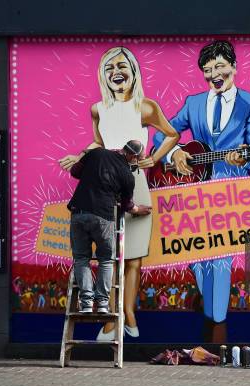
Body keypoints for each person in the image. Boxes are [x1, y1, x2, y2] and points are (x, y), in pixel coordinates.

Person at [59, 47, 179, 339]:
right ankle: (111, 318)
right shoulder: (98, 109)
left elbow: (172, 134)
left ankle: (128, 312)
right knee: (107, 253)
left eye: (122, 65)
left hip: (135, 180)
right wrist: (79, 157)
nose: (116, 71)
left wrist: (154, 158)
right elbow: (98, 143)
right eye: (109, 66)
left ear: (134, 71)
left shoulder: (146, 106)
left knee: (134, 256)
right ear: (103, 74)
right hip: (103, 184)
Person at [152, 40, 250, 342]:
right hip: (192, 193)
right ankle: (210, 313)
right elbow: (161, 134)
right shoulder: (193, 104)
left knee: (219, 258)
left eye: (219, 66)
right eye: (207, 70)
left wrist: (243, 159)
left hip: (228, 193)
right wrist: (174, 152)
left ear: (233, 67)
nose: (213, 74)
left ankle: (217, 329)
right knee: (195, 257)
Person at [67, 140, 151, 314]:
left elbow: (75, 171)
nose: (137, 163)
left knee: (81, 259)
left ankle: (86, 305)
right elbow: (128, 205)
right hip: (103, 217)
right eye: (138, 159)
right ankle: (103, 304)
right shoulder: (127, 176)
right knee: (106, 260)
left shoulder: (97, 153)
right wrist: (138, 210)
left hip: (79, 213)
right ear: (133, 156)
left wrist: (92, 173)